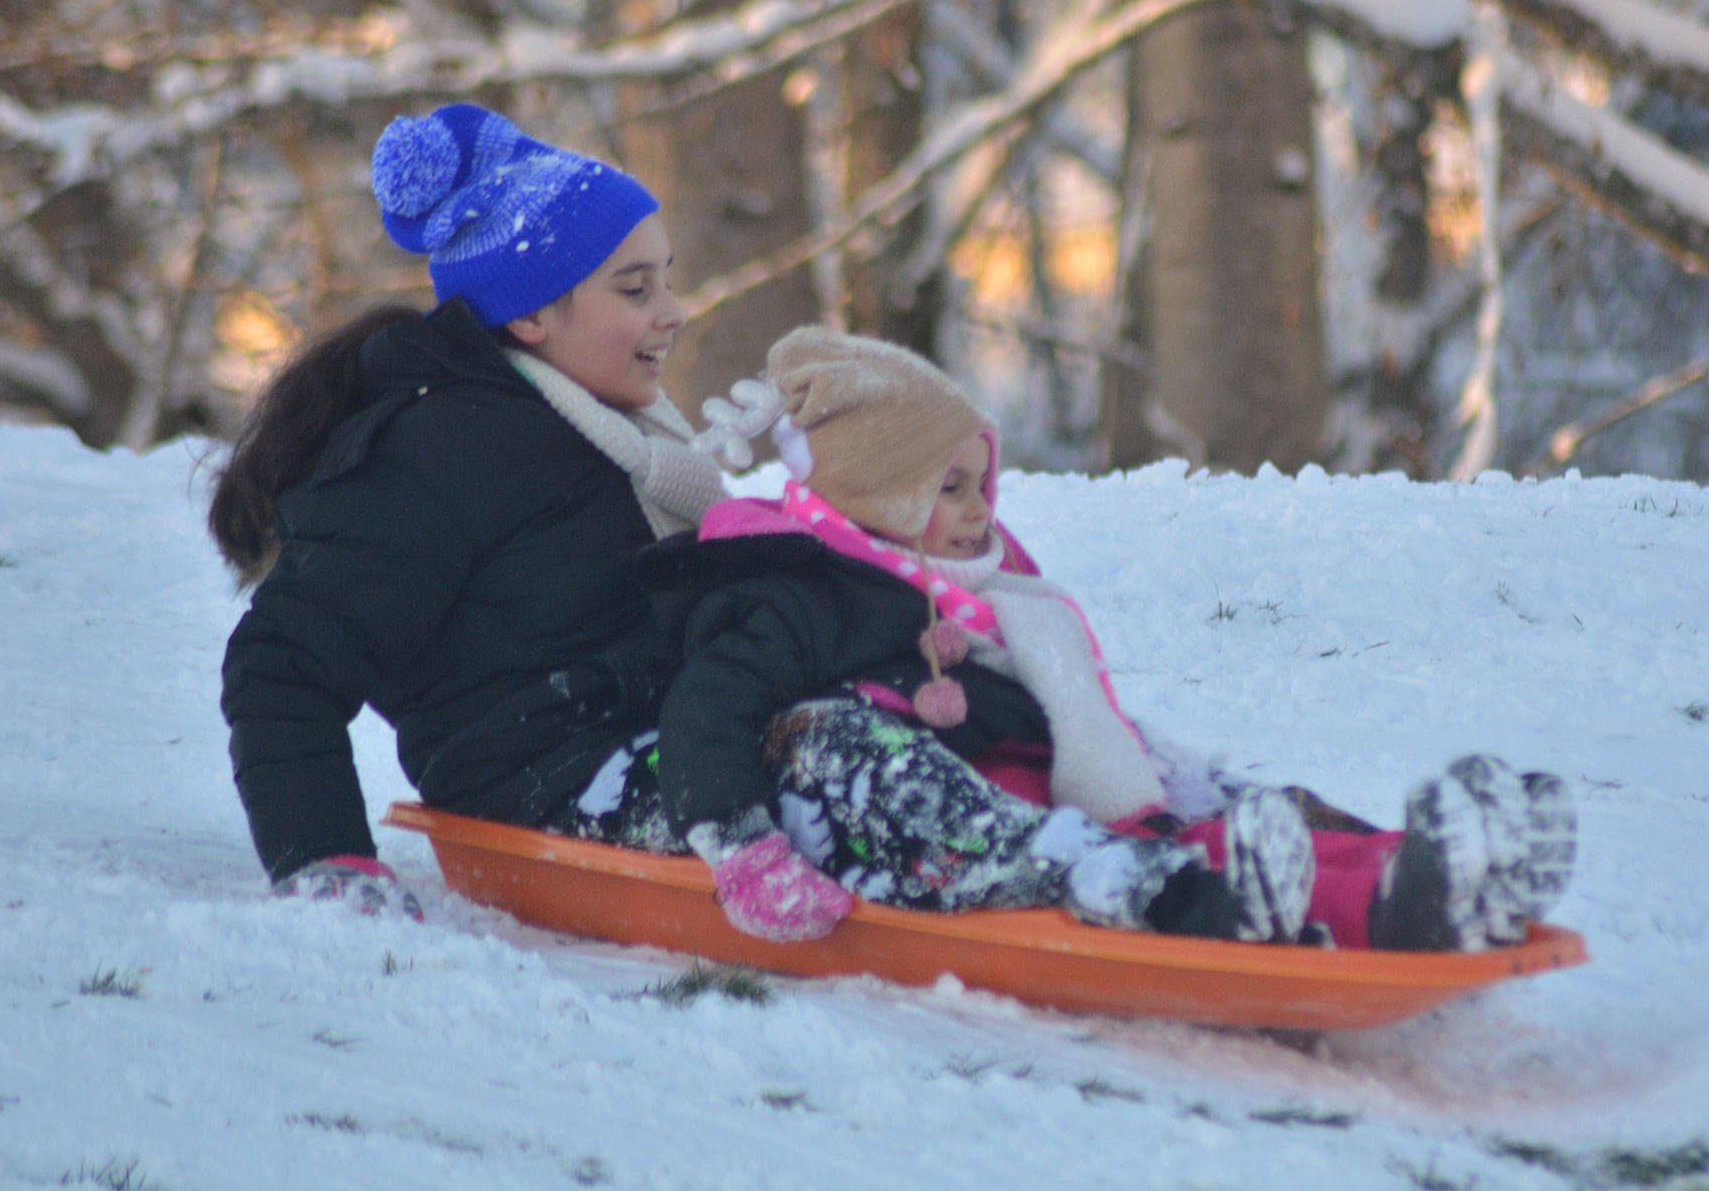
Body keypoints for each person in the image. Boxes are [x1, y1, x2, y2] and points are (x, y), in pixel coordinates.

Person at [631, 327, 1578, 951]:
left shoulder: (984, 589)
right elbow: (707, 710)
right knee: (1177, 846)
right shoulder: (799, 590)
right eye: (945, 491)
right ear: (878, 497)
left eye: (980, 485)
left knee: (1204, 802)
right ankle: (1344, 908)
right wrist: (740, 846)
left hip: (1048, 771)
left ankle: (1423, 869)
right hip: (963, 806)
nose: (975, 515)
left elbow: (1073, 708)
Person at [211, 103, 729, 915]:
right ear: (529, 314)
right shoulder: (437, 451)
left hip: (662, 746)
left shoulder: (611, 436)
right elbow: (282, 666)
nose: (673, 310)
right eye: (636, 287)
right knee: (830, 767)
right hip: (549, 795)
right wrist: (324, 855)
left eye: (667, 277)